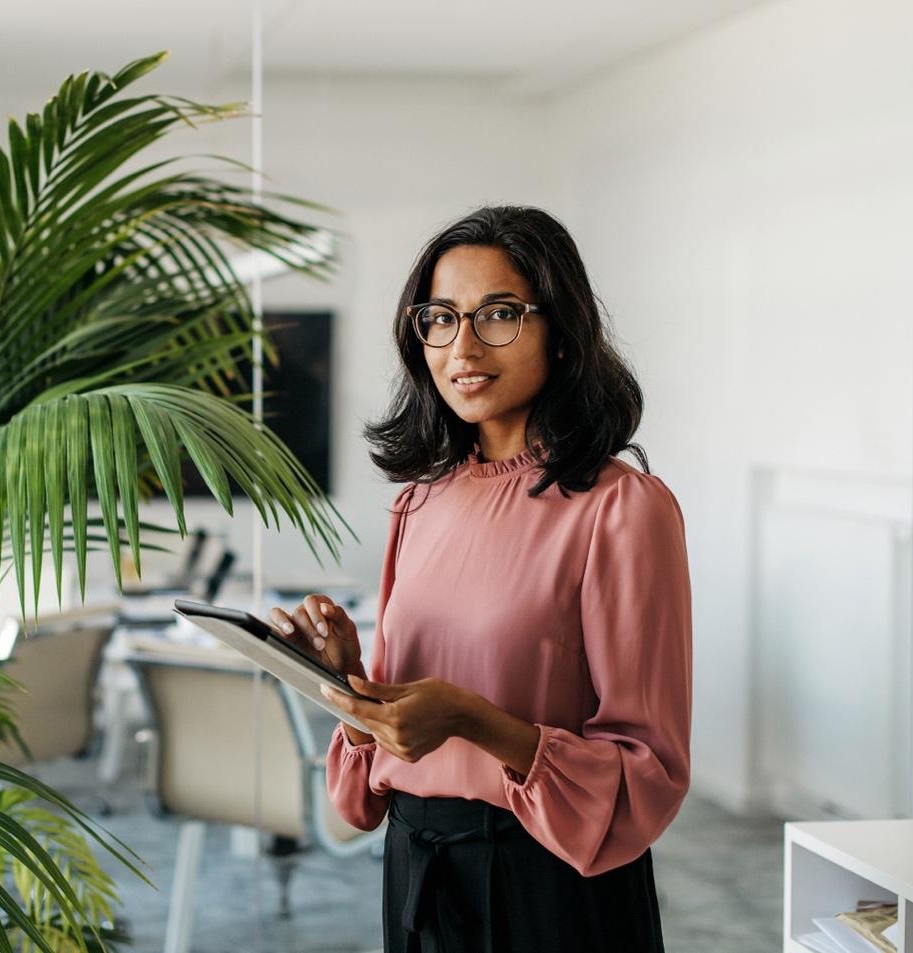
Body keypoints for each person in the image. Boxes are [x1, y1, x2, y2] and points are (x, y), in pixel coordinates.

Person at [270, 205, 692, 952]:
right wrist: (347, 682)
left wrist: (475, 719)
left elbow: (647, 773)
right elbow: (376, 773)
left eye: (499, 314)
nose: (462, 345)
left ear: (561, 331)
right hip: (416, 865)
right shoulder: (420, 500)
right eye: (440, 317)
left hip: (549, 882)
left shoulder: (622, 508)